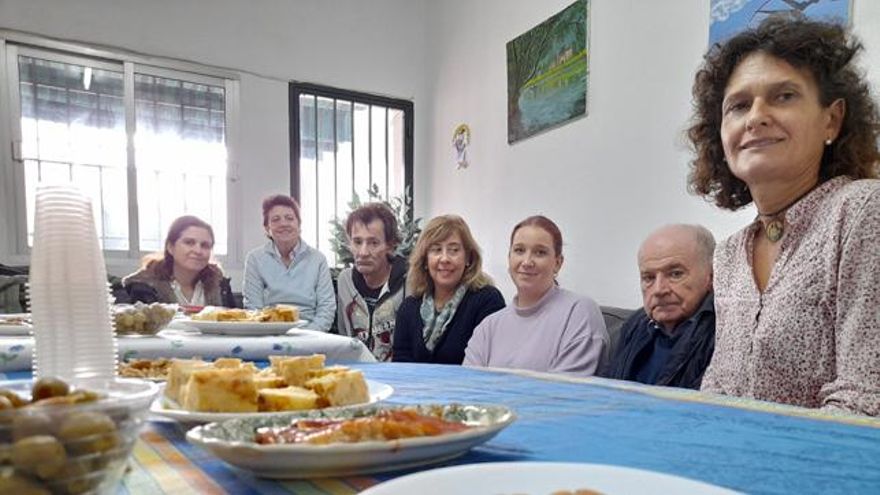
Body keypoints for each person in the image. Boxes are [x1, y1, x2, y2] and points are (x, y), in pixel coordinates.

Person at [687, 16, 880, 415]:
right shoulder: (727, 254)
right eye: (738, 105)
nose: (755, 116)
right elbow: (718, 389)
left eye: (784, 96)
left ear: (832, 119)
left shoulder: (862, 212)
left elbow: (864, 403)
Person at [464, 215, 607, 375]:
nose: (527, 261)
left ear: (558, 263)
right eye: (519, 250)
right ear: (509, 258)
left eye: (540, 252)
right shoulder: (488, 327)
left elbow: (565, 392)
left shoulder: (579, 312)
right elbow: (469, 389)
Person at [603, 225, 715, 389]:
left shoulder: (724, 333)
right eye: (649, 278)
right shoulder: (636, 324)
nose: (659, 290)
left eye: (675, 274)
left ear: (711, 277)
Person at [393, 215, 505, 364]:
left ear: (468, 258)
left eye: (453, 250)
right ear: (425, 260)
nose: (444, 259)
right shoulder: (408, 308)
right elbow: (401, 367)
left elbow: (491, 365)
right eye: (436, 249)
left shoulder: (488, 301)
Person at [242, 195, 335, 331]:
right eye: (276, 219)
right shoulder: (254, 259)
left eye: (289, 218)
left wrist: (309, 336)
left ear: (299, 224)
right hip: (268, 333)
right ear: (267, 228)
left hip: (311, 334)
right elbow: (253, 308)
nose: (284, 223)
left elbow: (327, 307)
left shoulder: (318, 259)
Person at [336, 203, 408, 361]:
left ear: (390, 245)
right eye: (357, 242)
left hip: (398, 375)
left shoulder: (409, 282)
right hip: (356, 373)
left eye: (373, 243)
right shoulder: (345, 280)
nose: (363, 252)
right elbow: (344, 336)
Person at [123, 215, 235, 307]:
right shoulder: (144, 285)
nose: (198, 250)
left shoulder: (220, 285)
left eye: (205, 245)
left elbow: (234, 324)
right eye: (189, 242)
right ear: (170, 247)